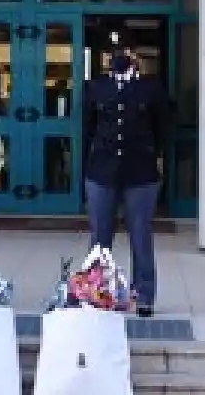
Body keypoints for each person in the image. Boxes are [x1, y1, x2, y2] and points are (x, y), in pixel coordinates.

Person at [81, 30, 170, 317]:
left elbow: (162, 129)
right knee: (100, 238)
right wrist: (86, 169)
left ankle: (144, 295)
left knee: (141, 236)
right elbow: (87, 131)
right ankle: (98, 291)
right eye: (113, 53)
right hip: (102, 171)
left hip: (140, 173)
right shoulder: (95, 87)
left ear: (134, 55)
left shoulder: (151, 88)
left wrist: (157, 160)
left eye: (124, 52)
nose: (118, 57)